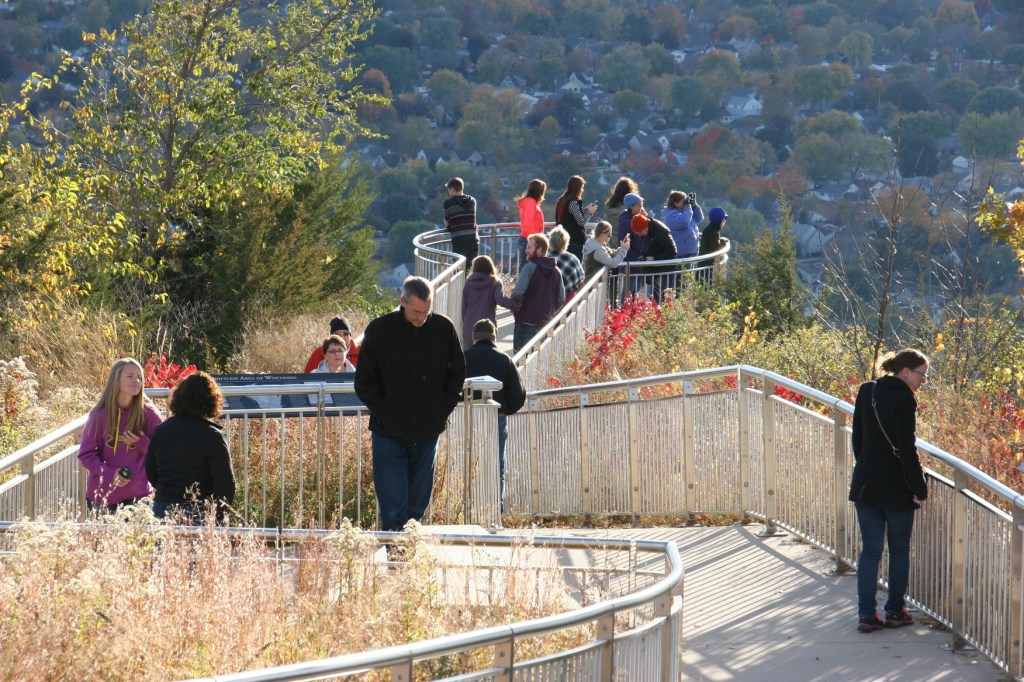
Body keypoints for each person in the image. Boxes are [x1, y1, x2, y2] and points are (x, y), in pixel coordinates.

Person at [355, 276, 466, 532]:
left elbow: (457, 374)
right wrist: (387, 412)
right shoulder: (380, 331)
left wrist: (442, 409)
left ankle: (409, 558)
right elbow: (364, 381)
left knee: (417, 506)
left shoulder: (443, 328)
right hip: (389, 432)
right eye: (416, 311)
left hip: (428, 432)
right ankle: (396, 563)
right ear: (402, 302)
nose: (421, 317)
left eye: (426, 311)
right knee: (393, 508)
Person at [850, 349, 930, 633]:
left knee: (870, 550)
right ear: (906, 371)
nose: (924, 380)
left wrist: (868, 467)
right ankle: (896, 611)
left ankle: (866, 616)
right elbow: (907, 448)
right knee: (898, 549)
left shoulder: (867, 390)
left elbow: (857, 438)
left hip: (865, 484)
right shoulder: (905, 398)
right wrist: (919, 488)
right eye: (922, 374)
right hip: (896, 488)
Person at [146, 371, 236, 523]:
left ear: (178, 397)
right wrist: (218, 516)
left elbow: (151, 471)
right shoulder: (212, 436)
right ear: (212, 401)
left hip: (162, 507)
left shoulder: (160, 431)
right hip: (199, 510)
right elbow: (226, 483)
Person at [78, 358, 163, 513]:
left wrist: (143, 442)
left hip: (140, 496)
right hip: (102, 496)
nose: (136, 380)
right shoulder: (99, 415)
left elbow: (164, 453)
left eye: (139, 377)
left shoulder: (150, 415)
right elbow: (86, 454)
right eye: (130, 376)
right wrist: (110, 474)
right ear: (116, 379)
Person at [463, 319, 526, 513]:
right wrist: (506, 409)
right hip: (496, 418)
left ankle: (468, 509)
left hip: (467, 418)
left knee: (467, 463)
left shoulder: (463, 358)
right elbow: (518, 395)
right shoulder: (504, 360)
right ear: (494, 337)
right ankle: (495, 510)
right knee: (496, 466)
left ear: (474, 337)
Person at [510, 233, 565, 353]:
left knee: (520, 358)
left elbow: (518, 292)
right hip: (545, 323)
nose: (526, 250)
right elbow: (561, 298)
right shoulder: (556, 271)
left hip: (525, 321)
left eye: (529, 247)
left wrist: (515, 307)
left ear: (539, 250)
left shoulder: (529, 268)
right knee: (540, 360)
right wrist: (549, 312)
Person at [461, 255, 518, 350]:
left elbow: (463, 308)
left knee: (468, 360)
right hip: (488, 329)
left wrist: (466, 323)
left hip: (469, 328)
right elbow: (501, 300)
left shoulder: (468, 283)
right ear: (490, 267)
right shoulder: (494, 282)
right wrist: (515, 304)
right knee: (487, 359)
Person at [630, 213, 678, 303]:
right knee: (655, 299)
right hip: (654, 271)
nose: (639, 235)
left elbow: (672, 251)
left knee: (663, 299)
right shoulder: (647, 231)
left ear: (645, 227)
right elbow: (648, 247)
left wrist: (655, 258)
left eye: (640, 232)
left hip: (664, 271)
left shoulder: (661, 232)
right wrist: (643, 255)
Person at [554, 175, 598, 260]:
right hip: (574, 241)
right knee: (575, 267)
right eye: (582, 187)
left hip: (562, 239)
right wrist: (589, 212)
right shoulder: (573, 202)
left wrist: (585, 210)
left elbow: (572, 214)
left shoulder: (562, 200)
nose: (582, 190)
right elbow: (581, 221)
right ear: (577, 188)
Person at [443, 176, 479, 262]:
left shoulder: (448, 203)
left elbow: (447, 223)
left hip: (459, 242)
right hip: (473, 240)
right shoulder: (472, 200)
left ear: (452, 190)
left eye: (449, 190)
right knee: (470, 270)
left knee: (458, 271)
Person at [547, 226, 585, 303]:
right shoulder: (572, 258)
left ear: (550, 241)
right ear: (566, 241)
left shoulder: (545, 258)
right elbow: (581, 281)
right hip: (567, 302)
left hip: (548, 301)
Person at [663, 190, 703, 258]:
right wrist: (688, 207)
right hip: (681, 251)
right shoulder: (670, 215)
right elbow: (684, 222)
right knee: (683, 269)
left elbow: (699, 219)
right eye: (683, 201)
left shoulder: (686, 212)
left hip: (691, 250)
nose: (686, 203)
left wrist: (694, 205)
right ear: (676, 203)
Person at [516, 179, 546, 260]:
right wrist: (535, 241)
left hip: (527, 239)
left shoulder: (528, 202)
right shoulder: (531, 203)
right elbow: (528, 223)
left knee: (526, 266)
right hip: (530, 241)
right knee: (528, 267)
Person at [697, 206, 728, 285]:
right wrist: (724, 242)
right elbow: (716, 249)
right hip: (706, 267)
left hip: (702, 265)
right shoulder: (714, 233)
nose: (725, 221)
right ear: (719, 220)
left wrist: (720, 240)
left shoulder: (708, 229)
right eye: (724, 219)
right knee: (707, 286)